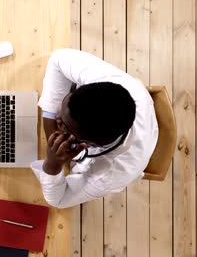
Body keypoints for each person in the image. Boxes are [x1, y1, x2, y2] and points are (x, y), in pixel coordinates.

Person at [30, 48, 158, 208]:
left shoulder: (109, 174)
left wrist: (53, 164)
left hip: (136, 153)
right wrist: (52, 127)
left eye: (63, 124)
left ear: (88, 145)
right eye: (63, 105)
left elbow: (59, 200)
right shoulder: (116, 86)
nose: (57, 117)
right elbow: (58, 58)